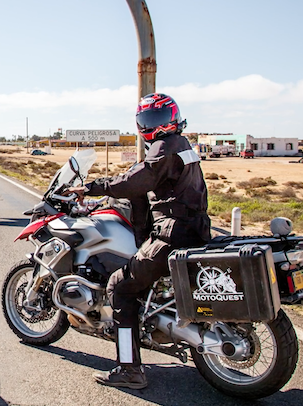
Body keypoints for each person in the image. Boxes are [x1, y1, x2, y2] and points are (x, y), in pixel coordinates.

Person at [65, 93, 211, 389]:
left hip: (172, 234)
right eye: (149, 120)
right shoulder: (183, 145)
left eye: (159, 119)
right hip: (195, 229)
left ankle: (129, 369)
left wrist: (92, 188)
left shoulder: (163, 147)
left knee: (120, 285)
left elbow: (136, 180)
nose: (155, 126)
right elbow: (145, 185)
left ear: (172, 119)